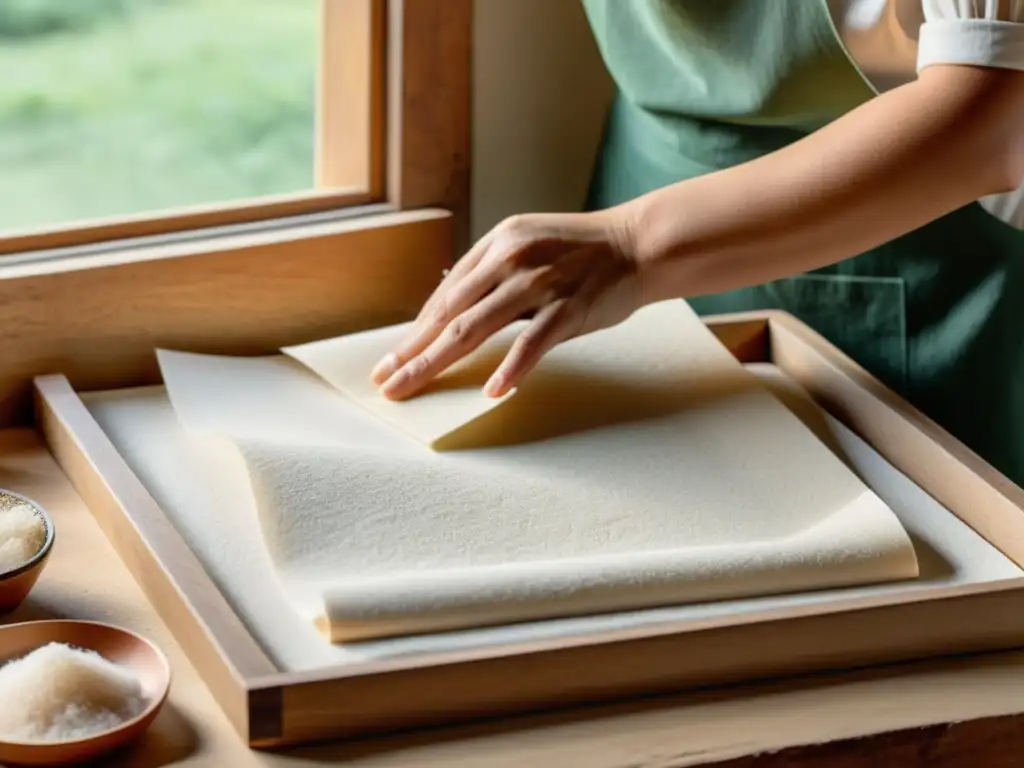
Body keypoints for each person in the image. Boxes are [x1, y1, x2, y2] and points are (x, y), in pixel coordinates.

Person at [371, 1, 1024, 483]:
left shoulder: (628, 249)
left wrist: (631, 247)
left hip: (919, 289)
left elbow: (992, 118)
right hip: (637, 230)